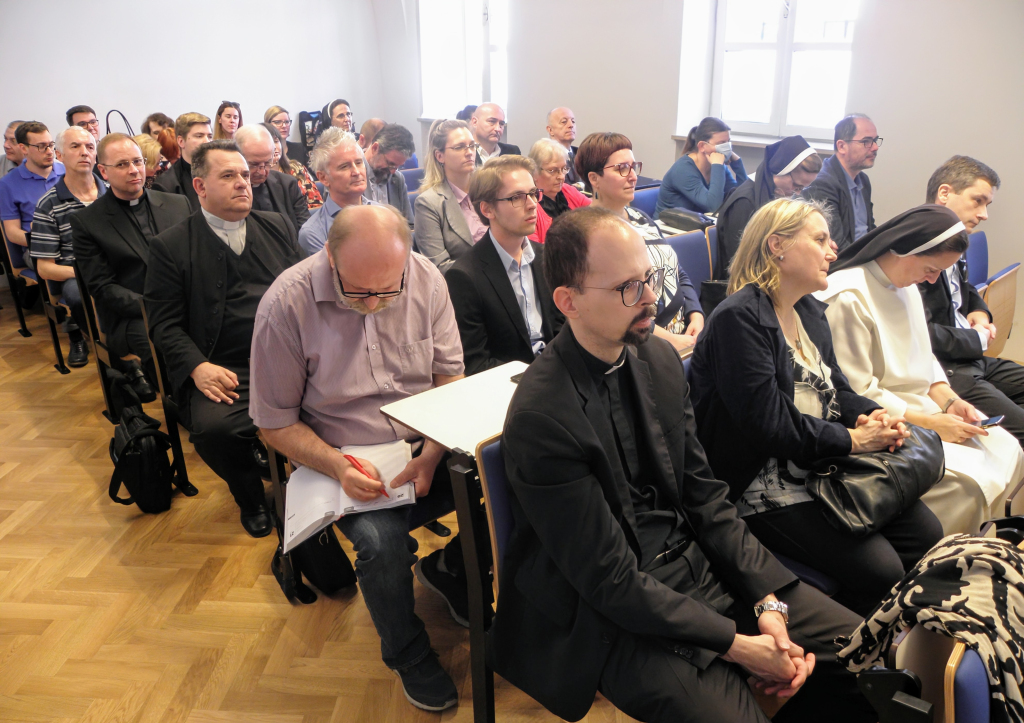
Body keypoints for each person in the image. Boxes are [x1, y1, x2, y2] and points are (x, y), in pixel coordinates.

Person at [493, 205, 875, 723]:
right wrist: (739, 645)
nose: (651, 298)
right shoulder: (542, 416)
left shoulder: (657, 359)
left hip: (701, 562)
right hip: (616, 614)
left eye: (649, 278)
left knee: (862, 653)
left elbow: (706, 498)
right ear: (568, 302)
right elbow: (610, 579)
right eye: (628, 288)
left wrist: (766, 602)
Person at [251, 204, 469, 712]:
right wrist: (337, 466)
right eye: (358, 291)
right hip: (342, 454)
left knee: (514, 474)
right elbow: (273, 422)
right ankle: (407, 652)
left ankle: (449, 568)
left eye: (387, 290)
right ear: (329, 256)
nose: (373, 302)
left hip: (425, 438)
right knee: (381, 544)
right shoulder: (286, 303)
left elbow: (449, 378)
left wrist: (432, 453)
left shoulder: (425, 278)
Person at [689, 197, 943, 616]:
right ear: (777, 246)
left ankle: (908, 630)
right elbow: (770, 426)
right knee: (880, 570)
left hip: (817, 461)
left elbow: (836, 387)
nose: (832, 252)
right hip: (760, 481)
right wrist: (855, 440)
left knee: (927, 533)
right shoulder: (739, 319)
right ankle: (854, 642)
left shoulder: (807, 308)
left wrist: (871, 414)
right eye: (820, 240)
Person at [817, 204, 1024, 534]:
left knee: (1007, 447)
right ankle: (952, 557)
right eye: (931, 268)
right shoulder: (847, 296)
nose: (933, 279)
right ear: (903, 249)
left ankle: (996, 545)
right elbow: (858, 391)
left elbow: (924, 357)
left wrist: (951, 402)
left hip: (924, 408)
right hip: (886, 421)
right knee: (971, 483)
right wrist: (931, 423)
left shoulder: (906, 284)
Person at [144, 140, 304, 537]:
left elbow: (306, 292)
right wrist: (197, 367)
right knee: (215, 430)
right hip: (224, 364)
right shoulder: (171, 246)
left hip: (290, 357)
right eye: (229, 175)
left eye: (245, 175)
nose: (242, 183)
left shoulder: (278, 226)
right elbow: (163, 324)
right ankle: (250, 497)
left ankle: (318, 482)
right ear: (199, 186)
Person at [72, 133, 192, 401]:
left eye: (137, 161)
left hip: (188, 303)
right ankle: (185, 408)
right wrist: (153, 306)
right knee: (167, 351)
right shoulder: (88, 222)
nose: (134, 170)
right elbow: (102, 287)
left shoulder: (177, 204)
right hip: (133, 316)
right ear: (103, 171)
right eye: (122, 164)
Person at [919, 156, 1024, 447]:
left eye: (987, 204)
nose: (984, 214)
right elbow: (921, 334)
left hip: (971, 358)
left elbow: (964, 287)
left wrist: (979, 310)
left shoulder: (955, 235)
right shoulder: (917, 248)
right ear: (944, 193)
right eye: (978, 201)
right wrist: (976, 339)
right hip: (946, 370)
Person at [575, 131, 704, 354]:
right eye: (622, 168)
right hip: (642, 342)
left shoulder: (640, 218)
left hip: (683, 331)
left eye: (634, 167)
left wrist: (696, 314)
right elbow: (616, 304)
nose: (633, 176)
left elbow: (676, 270)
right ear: (594, 179)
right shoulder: (591, 233)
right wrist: (670, 340)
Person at [446, 155, 564, 374]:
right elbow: (476, 362)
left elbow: (562, 328)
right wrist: (539, 377)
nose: (532, 205)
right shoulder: (464, 276)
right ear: (488, 210)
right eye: (517, 197)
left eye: (533, 193)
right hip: (509, 382)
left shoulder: (547, 256)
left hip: (557, 370)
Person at [30, 126, 106, 368]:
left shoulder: (112, 192)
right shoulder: (48, 203)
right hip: (74, 272)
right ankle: (87, 337)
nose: (85, 152)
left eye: (90, 147)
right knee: (78, 294)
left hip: (114, 265)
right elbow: (44, 268)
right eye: (76, 146)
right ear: (59, 155)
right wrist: (85, 273)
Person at [715, 136, 821, 277]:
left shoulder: (772, 195)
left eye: (802, 188)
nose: (797, 192)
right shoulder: (745, 202)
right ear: (780, 171)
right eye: (796, 185)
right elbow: (740, 262)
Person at [414, 119, 485, 271]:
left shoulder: (487, 190)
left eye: (472, 146)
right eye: (459, 147)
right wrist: (489, 265)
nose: (469, 152)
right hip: (463, 282)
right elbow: (438, 267)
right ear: (440, 156)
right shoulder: (429, 203)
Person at [803, 114, 879, 251]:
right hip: (846, 260)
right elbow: (836, 245)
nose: (875, 147)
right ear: (842, 146)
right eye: (866, 141)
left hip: (864, 255)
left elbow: (869, 229)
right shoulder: (823, 184)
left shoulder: (863, 180)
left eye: (875, 140)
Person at [298, 128, 378, 255]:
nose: (356, 172)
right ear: (323, 178)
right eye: (344, 166)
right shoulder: (313, 233)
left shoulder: (385, 214)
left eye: (359, 162)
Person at [0, 121, 65, 272]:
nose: (49, 151)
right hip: (37, 248)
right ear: (24, 148)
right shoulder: (7, 184)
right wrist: (49, 241)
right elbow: (12, 233)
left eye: (51, 145)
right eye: (41, 146)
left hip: (73, 240)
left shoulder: (67, 171)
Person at [656, 117, 747, 217]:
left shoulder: (718, 166)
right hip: (668, 225)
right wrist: (717, 166)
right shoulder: (683, 170)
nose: (727, 147)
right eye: (721, 143)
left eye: (728, 142)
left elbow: (742, 198)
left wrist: (737, 163)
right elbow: (713, 207)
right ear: (702, 146)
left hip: (699, 223)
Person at [234, 124, 309, 237]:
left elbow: (305, 230)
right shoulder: (230, 191)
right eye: (254, 164)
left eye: (267, 163)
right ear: (238, 157)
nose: (262, 172)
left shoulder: (288, 185)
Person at [528, 138, 590, 243]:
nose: (561, 176)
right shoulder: (528, 204)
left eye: (564, 169)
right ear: (534, 172)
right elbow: (534, 249)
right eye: (552, 170)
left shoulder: (568, 190)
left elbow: (595, 216)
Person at [153, 112, 213, 211]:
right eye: (199, 136)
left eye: (210, 136)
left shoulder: (220, 172)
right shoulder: (166, 185)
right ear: (181, 141)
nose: (207, 141)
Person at [362, 123, 416, 227]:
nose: (392, 172)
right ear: (375, 148)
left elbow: (409, 224)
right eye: (390, 164)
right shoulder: (354, 177)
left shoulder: (397, 179)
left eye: (398, 167)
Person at [264, 123, 322, 210]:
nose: (274, 147)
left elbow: (316, 203)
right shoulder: (259, 175)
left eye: (276, 141)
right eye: (269, 142)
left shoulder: (296, 167)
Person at [264, 105, 309, 169]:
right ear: (267, 124)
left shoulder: (299, 148)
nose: (284, 126)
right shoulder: (263, 153)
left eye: (287, 122)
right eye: (278, 122)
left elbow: (311, 173)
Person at [545, 106, 580, 184]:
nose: (571, 125)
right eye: (564, 122)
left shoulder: (581, 154)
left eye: (573, 121)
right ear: (550, 130)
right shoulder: (545, 157)